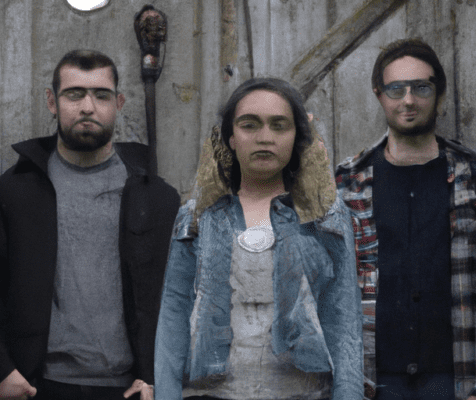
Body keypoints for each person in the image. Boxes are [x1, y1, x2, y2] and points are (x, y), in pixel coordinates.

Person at [0, 49, 180, 400]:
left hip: (130, 390)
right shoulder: (16, 190)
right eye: (74, 94)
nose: (88, 107)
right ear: (52, 101)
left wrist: (158, 376)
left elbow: (178, 297)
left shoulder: (156, 198)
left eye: (101, 95)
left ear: (119, 103)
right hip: (38, 386)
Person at [154, 77, 364, 400]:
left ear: (296, 137)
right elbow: (173, 316)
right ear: (231, 138)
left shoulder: (325, 216)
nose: (265, 137)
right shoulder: (199, 216)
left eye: (279, 126)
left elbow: (343, 320)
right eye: (249, 125)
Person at [335, 38, 476, 400]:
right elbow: (329, 289)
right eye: (396, 88)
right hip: (371, 380)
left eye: (421, 87)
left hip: (453, 378)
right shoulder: (348, 181)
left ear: (439, 93)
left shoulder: (475, 176)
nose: (408, 100)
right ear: (379, 94)